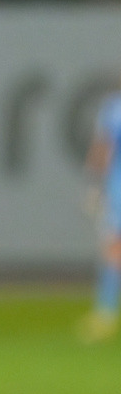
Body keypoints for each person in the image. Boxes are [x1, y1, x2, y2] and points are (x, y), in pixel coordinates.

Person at [79, 89, 121, 342]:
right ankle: (105, 312)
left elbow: (102, 149)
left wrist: (93, 185)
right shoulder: (114, 107)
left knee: (113, 247)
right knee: (113, 246)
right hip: (117, 187)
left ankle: (105, 312)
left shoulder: (114, 108)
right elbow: (103, 149)